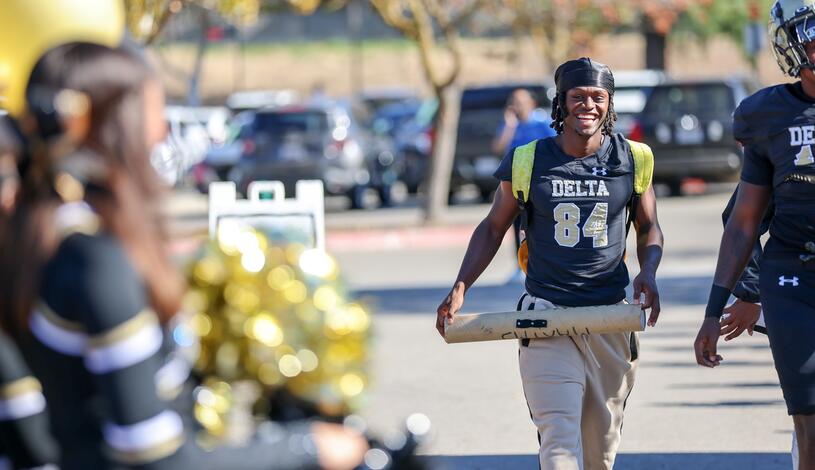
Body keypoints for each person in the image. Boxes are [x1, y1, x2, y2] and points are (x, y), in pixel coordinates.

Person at [0, 41, 366, 470]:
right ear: (119, 127)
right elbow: (154, 457)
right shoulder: (93, 260)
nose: (161, 134)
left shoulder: (30, 244)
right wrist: (309, 448)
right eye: (154, 116)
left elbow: (32, 438)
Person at [436, 58, 663, 470]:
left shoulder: (634, 159)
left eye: (597, 97)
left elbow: (649, 228)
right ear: (561, 103)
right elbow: (492, 228)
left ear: (609, 103)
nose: (587, 106)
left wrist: (648, 273)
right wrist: (461, 285)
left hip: (609, 317)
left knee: (599, 454)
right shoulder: (528, 160)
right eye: (577, 97)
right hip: (546, 315)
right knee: (558, 442)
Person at [694, 1, 815, 468]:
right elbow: (743, 219)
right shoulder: (768, 115)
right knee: (809, 416)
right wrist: (720, 304)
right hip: (795, 278)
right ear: (791, 43)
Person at [493, 89, 558, 277]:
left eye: (521, 101)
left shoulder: (543, 123)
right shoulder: (510, 125)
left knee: (542, 224)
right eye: (514, 101)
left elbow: (557, 146)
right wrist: (509, 126)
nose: (517, 105)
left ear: (531, 103)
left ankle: (547, 265)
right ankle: (520, 265)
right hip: (517, 185)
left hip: (541, 184)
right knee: (518, 225)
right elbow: (498, 148)